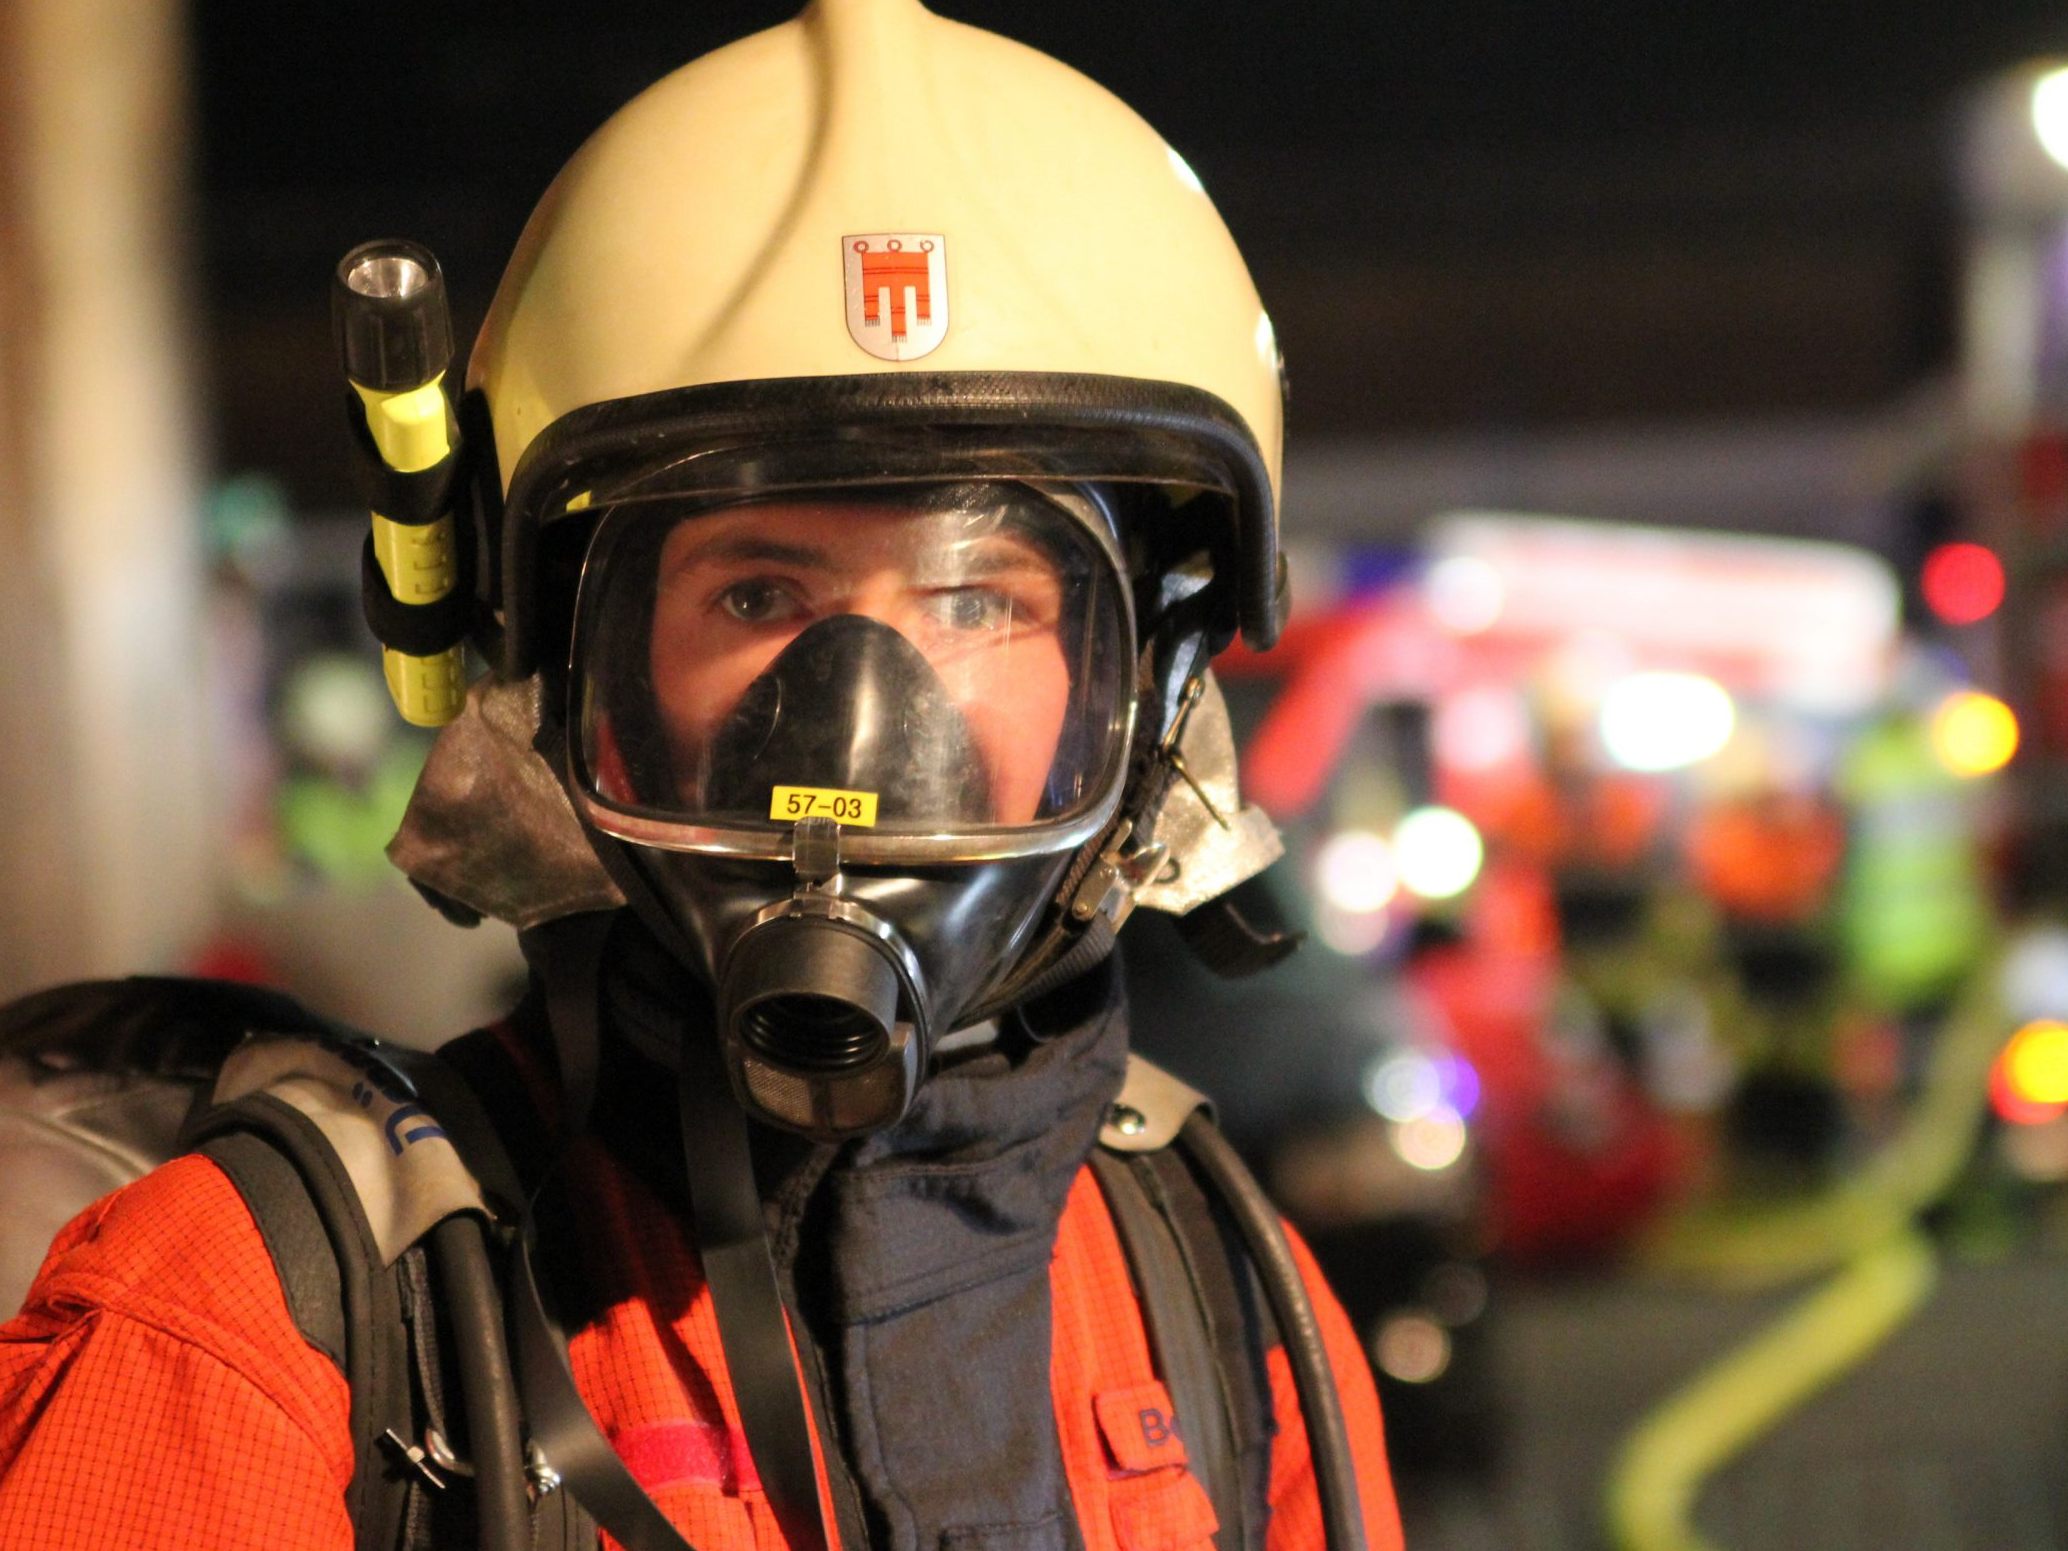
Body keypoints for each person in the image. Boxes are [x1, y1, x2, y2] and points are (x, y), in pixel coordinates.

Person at [0, 2, 1405, 1548]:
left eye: (977, 598)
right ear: (568, 672)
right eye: (758, 596)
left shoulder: (1215, 1290)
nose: (865, 722)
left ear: (1148, 688)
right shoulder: (251, 1324)